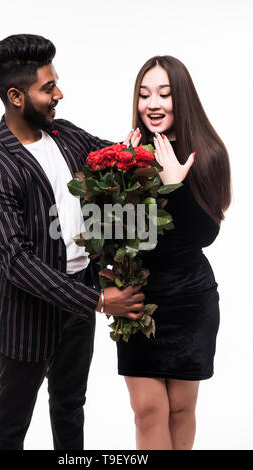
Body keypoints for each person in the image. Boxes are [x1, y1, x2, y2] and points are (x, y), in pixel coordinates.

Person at [0, 34, 144, 450]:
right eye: (48, 88)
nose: (58, 94)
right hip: (28, 316)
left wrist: (152, 138)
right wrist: (100, 302)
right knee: (13, 421)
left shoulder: (63, 135)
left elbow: (115, 155)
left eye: (56, 83)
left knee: (70, 405)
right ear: (15, 95)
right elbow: (17, 261)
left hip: (77, 307)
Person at [116, 56, 231, 450]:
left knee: (181, 410)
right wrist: (121, 178)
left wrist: (175, 185)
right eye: (145, 94)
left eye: (164, 94)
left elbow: (205, 237)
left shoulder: (209, 153)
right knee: (147, 410)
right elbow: (116, 238)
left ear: (181, 98)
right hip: (138, 300)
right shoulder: (126, 155)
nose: (153, 103)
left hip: (190, 300)